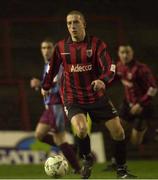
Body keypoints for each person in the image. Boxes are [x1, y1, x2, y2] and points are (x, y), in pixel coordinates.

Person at [41, 10, 136, 179]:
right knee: (82, 128)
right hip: (73, 97)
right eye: (69, 23)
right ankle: (87, 158)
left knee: (119, 132)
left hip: (97, 96)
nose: (72, 26)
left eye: (76, 22)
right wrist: (45, 85)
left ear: (84, 24)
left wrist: (103, 80)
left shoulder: (97, 45)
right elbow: (52, 69)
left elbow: (110, 67)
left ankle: (121, 170)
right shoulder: (61, 47)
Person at [30, 38, 81, 173]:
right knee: (39, 135)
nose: (46, 51)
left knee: (59, 137)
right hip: (50, 107)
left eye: (48, 48)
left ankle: (79, 169)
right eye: (43, 48)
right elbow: (49, 84)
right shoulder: (48, 65)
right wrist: (40, 85)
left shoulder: (59, 65)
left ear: (54, 49)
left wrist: (41, 85)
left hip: (58, 105)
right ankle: (70, 148)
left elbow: (61, 85)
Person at [104, 44, 157, 171]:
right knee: (116, 129)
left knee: (135, 141)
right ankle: (115, 161)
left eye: (127, 52)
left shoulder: (141, 69)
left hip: (143, 107)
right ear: (118, 54)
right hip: (127, 105)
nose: (125, 55)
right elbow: (111, 80)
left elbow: (153, 88)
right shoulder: (119, 67)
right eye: (122, 52)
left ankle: (151, 131)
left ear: (132, 53)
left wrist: (141, 104)